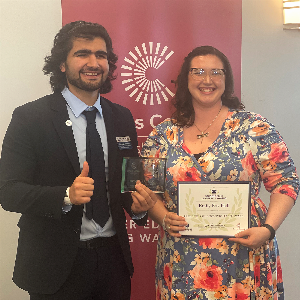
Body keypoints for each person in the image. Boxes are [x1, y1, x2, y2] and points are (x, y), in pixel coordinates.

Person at [0, 21, 156, 300]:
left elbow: (129, 184)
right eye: (82, 53)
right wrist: (66, 196)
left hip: (113, 263)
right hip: (55, 267)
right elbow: (8, 192)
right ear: (62, 64)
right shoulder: (30, 118)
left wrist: (140, 208)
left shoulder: (122, 117)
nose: (93, 62)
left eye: (101, 55)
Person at [141, 46, 299, 299]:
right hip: (182, 256)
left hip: (245, 253)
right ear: (185, 79)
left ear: (227, 80)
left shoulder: (255, 128)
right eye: (198, 72)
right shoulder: (163, 135)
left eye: (216, 72)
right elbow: (149, 189)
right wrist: (162, 217)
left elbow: (285, 182)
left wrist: (268, 229)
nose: (207, 80)